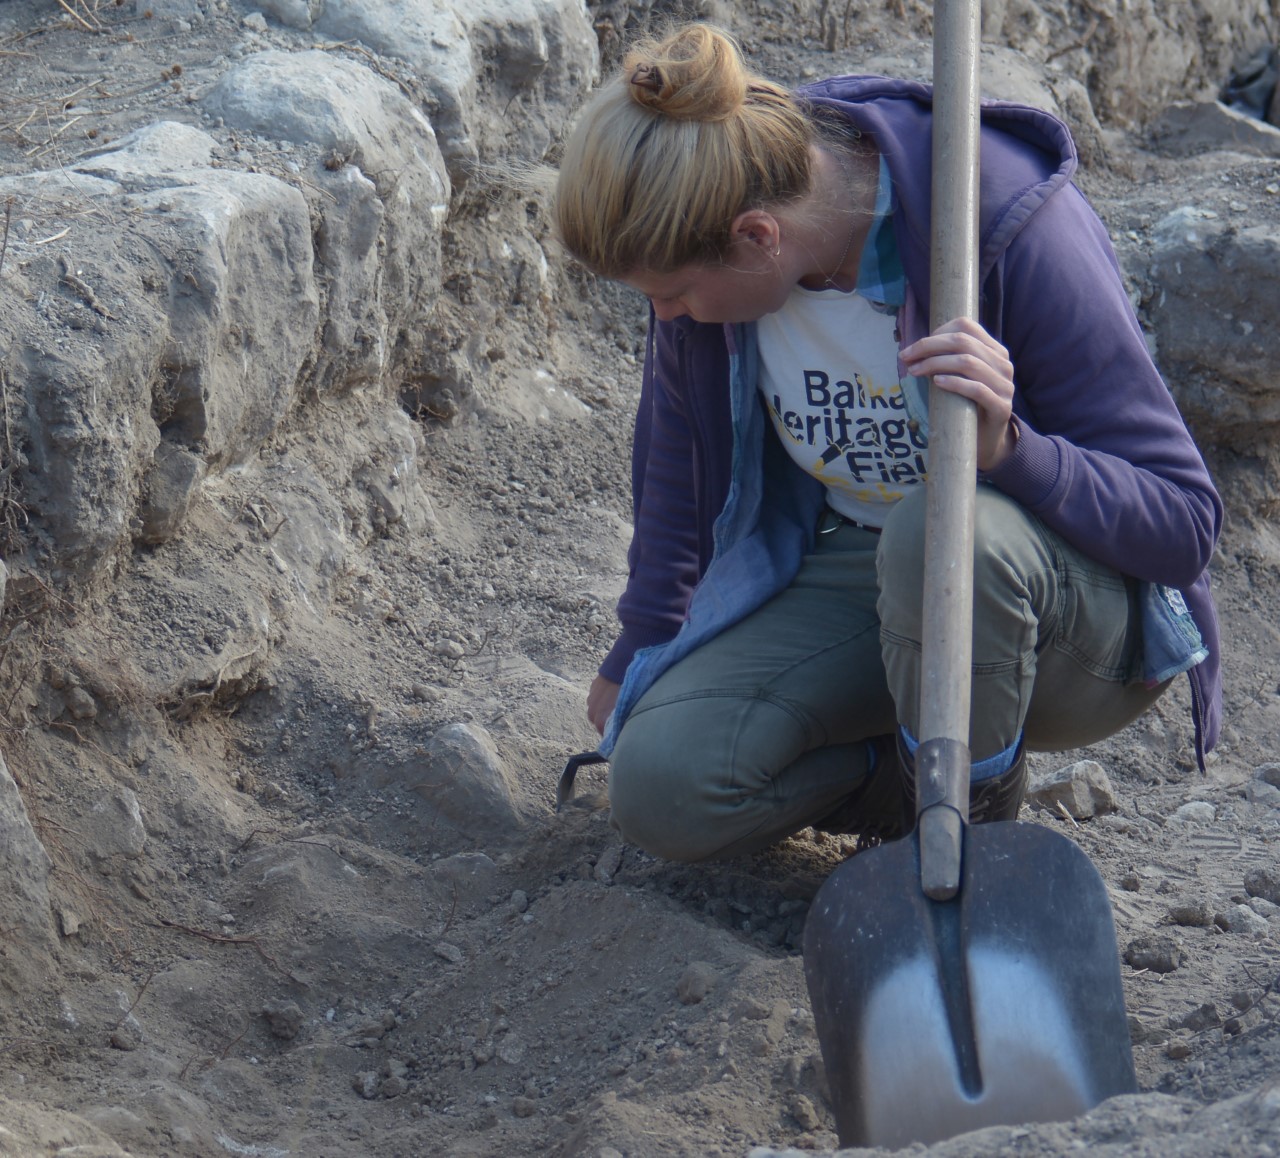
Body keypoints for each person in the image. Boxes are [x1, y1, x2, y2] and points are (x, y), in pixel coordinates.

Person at [552, 23, 1223, 863]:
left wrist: (1013, 451)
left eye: (676, 294)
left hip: (1061, 618)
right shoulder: (714, 228)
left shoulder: (1000, 218)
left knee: (938, 531)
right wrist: (637, 649)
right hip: (862, 572)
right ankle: (910, 782)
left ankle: (969, 834)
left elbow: (1185, 521)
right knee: (663, 786)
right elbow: (675, 474)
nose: (666, 316)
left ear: (758, 237)